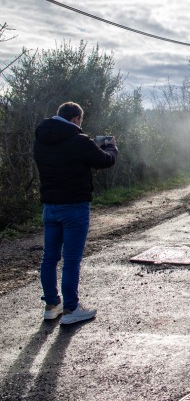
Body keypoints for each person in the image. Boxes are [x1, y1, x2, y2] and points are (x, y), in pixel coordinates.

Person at [33, 101, 118, 325]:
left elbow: (63, 157)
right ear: (76, 119)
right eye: (80, 121)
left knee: (49, 258)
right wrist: (111, 147)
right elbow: (105, 161)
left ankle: (52, 305)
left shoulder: (40, 138)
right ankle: (71, 308)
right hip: (74, 207)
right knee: (71, 260)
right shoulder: (80, 141)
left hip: (50, 206)